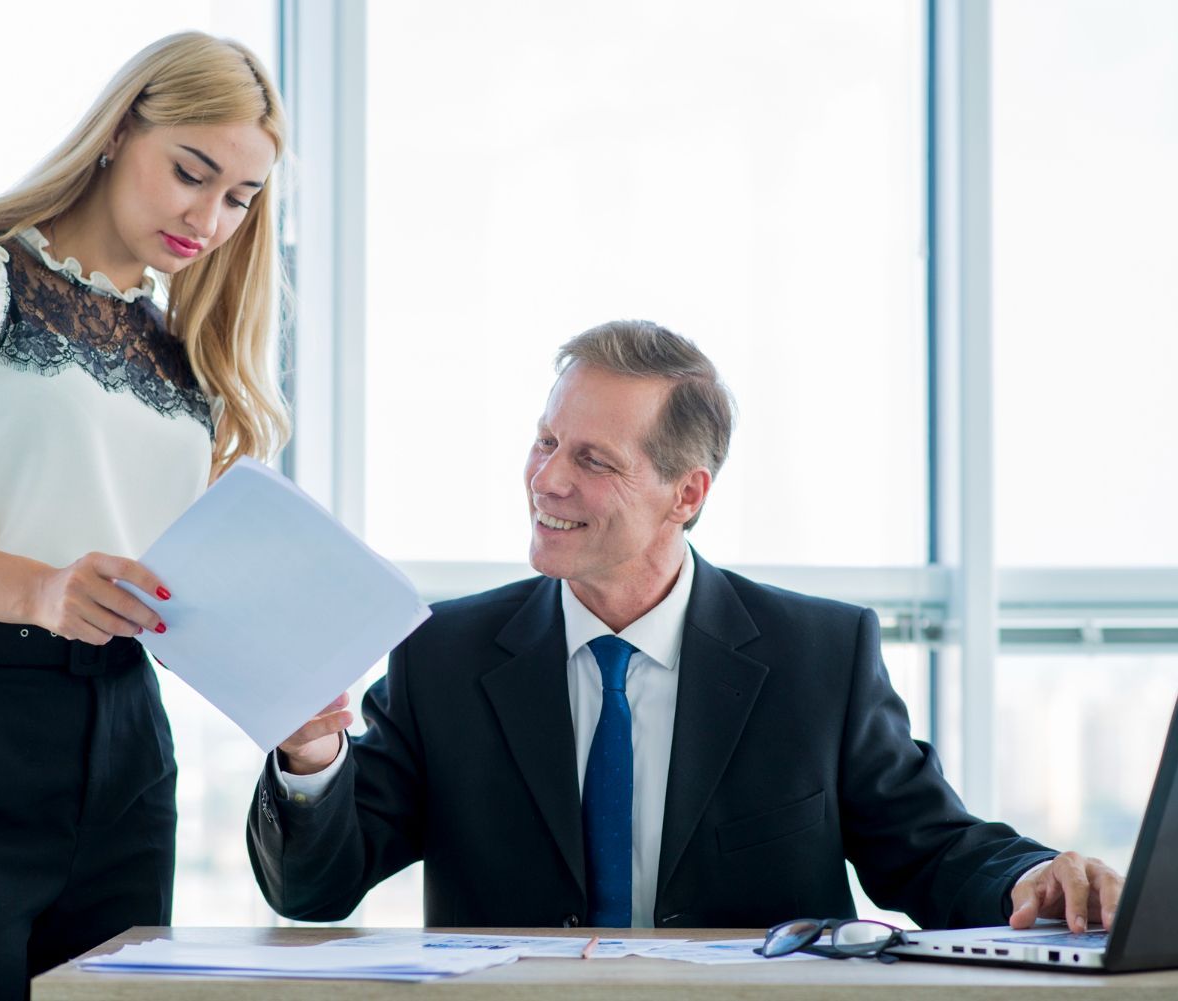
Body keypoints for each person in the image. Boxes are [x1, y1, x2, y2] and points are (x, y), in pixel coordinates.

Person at [249, 319, 1125, 933]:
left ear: (688, 492)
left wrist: (1033, 878)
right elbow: (316, 890)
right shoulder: (443, 651)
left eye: (592, 459)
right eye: (545, 440)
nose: (547, 479)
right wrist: (311, 755)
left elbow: (927, 850)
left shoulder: (817, 657)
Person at [0, 31, 286, 999]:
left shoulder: (189, 356)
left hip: (127, 739)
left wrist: (294, 674)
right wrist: (43, 588)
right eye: (192, 173)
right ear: (122, 131)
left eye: (240, 199)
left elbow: (171, 586)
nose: (209, 218)